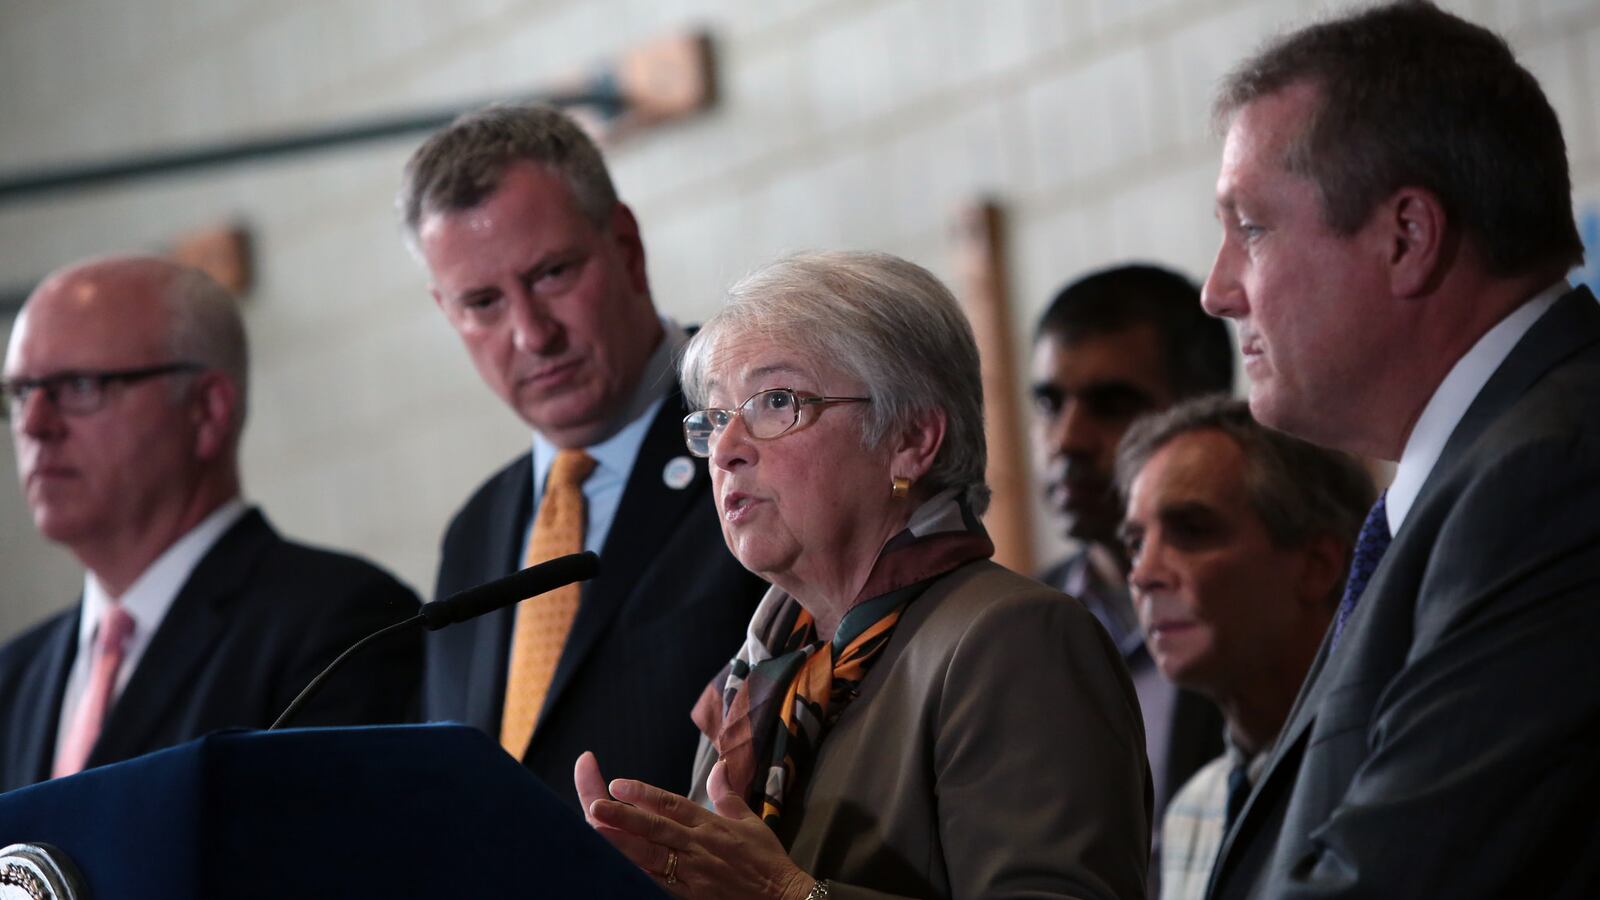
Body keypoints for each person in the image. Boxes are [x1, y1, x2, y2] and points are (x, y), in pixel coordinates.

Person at [574, 251, 1151, 900]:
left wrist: (784, 896)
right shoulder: (759, 672)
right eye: (714, 418)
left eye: (776, 401)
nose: (728, 449)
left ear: (912, 437)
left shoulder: (1015, 640)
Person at [1200, 3, 1600, 897]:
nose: (1218, 290)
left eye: (1251, 229)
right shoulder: (1488, 476)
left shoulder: (1549, 477)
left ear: (1406, 237)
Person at [399, 104, 766, 809]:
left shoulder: (755, 435)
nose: (531, 335)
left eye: (552, 274)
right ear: (446, 312)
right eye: (482, 303)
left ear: (626, 246)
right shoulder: (474, 533)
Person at [0, 256, 420, 791]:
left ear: (207, 410)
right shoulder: (14, 677)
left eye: (80, 386)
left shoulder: (344, 627)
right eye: (19, 394)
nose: (34, 424)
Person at [1113, 397, 1373, 900]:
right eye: (1134, 543)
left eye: (1191, 531)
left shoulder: (1385, 772)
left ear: (1317, 564)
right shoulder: (1193, 807)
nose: (1144, 575)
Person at [1030, 264, 1234, 838]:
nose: (1066, 439)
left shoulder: (1276, 609)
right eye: (1049, 403)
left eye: (1112, 405)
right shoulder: (1012, 625)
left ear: (1202, 410)